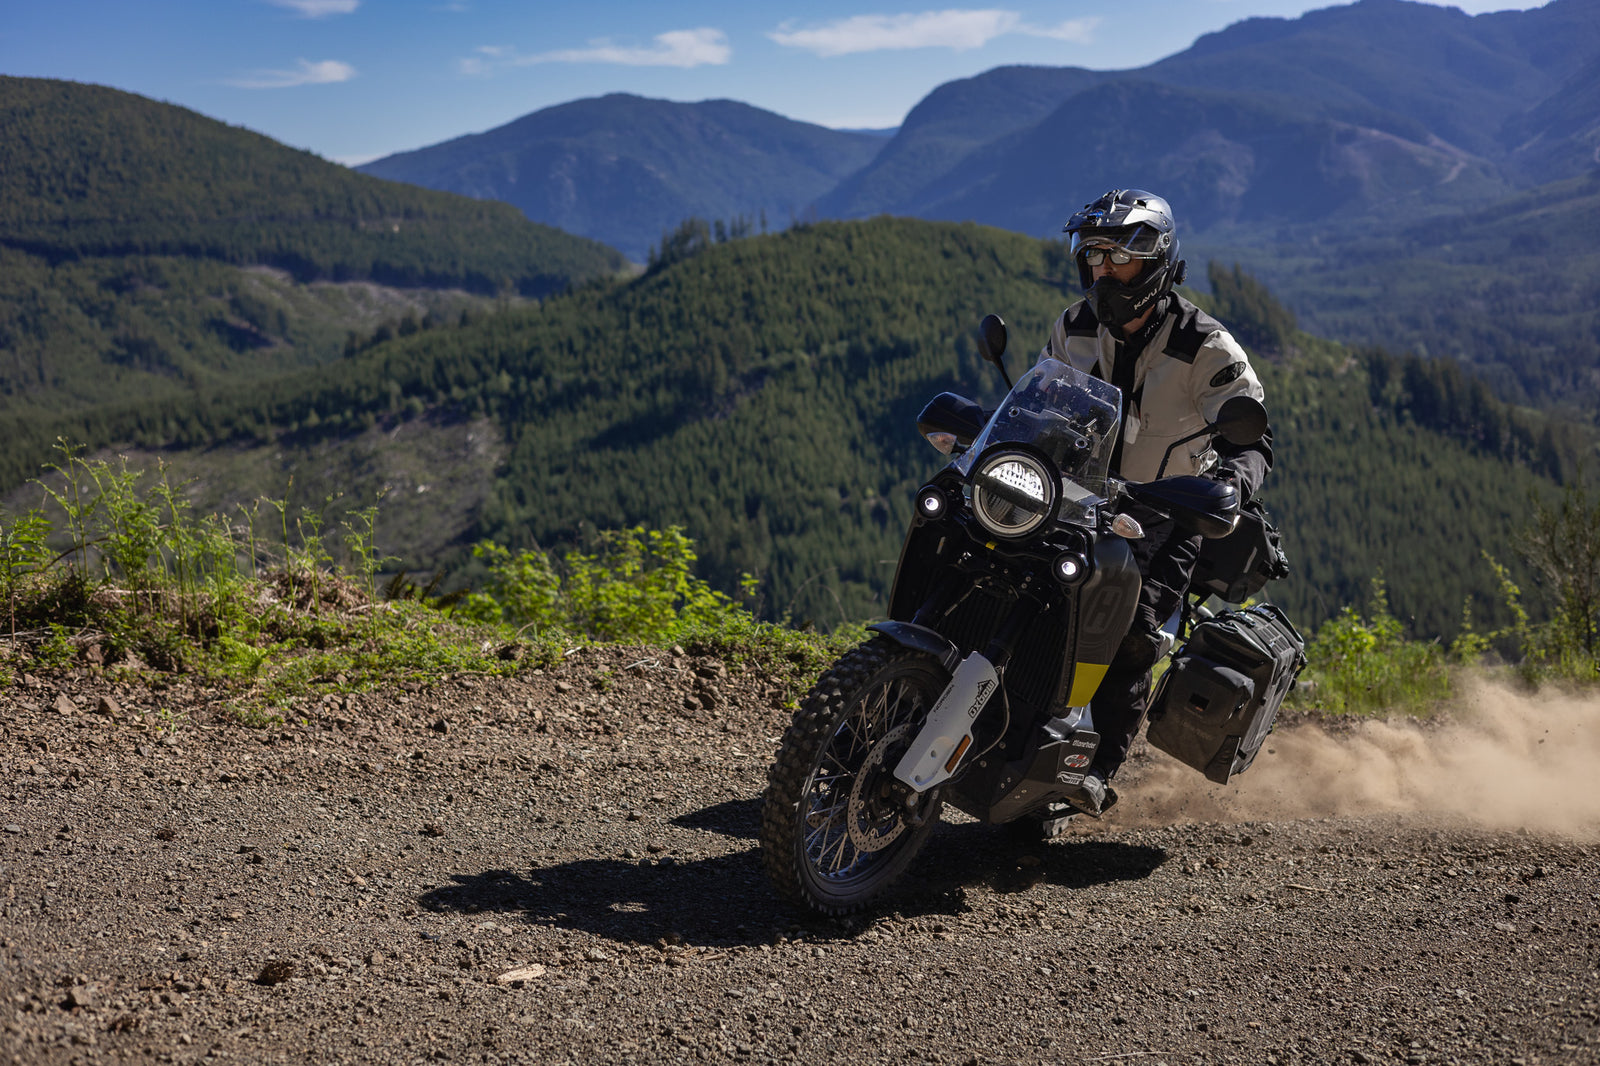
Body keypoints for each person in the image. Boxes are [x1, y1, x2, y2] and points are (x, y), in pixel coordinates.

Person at [1038, 188, 1272, 816]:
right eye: (1094, 256)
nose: (1104, 271)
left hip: (1165, 515)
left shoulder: (1205, 345)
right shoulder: (1073, 326)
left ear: (1156, 261)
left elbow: (1254, 437)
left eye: (1120, 258)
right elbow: (1039, 402)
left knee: (1132, 635)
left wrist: (1231, 486)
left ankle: (1094, 770)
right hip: (1076, 500)